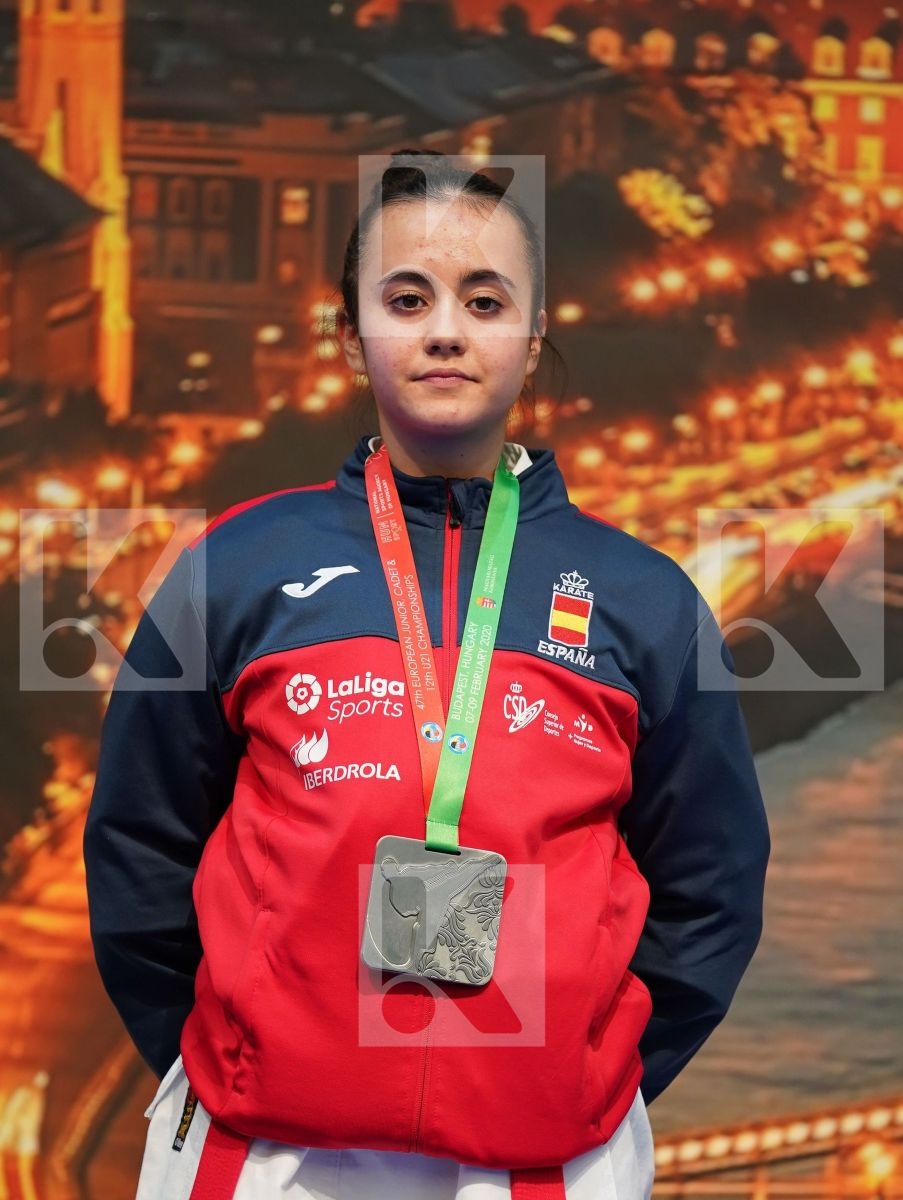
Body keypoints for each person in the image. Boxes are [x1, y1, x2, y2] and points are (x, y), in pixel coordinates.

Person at [83, 149, 770, 1200]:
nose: (446, 329)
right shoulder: (234, 567)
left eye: (485, 299)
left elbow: (710, 886)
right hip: (261, 1156)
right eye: (407, 298)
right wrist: (234, 1051)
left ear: (534, 340)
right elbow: (140, 847)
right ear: (349, 336)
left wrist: (588, 1073)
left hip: (545, 1163)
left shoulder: (644, 599)